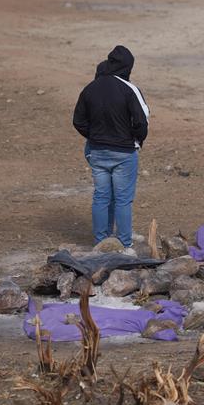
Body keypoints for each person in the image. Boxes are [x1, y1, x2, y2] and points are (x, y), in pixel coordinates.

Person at [73, 45, 149, 255]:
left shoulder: (91, 88)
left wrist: (94, 136)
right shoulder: (128, 88)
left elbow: (78, 120)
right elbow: (142, 121)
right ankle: (124, 244)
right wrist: (136, 139)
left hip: (97, 151)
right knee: (123, 199)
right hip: (124, 153)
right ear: (128, 67)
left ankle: (100, 241)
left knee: (101, 197)